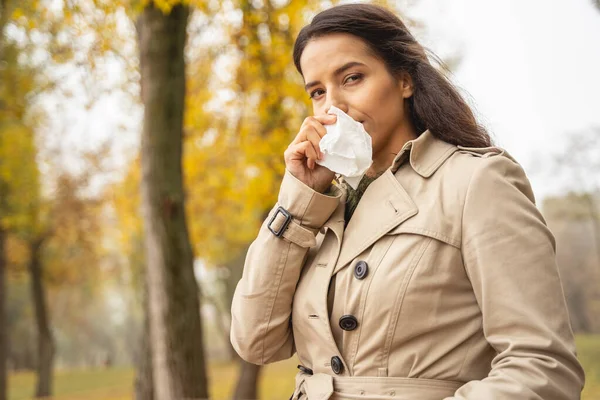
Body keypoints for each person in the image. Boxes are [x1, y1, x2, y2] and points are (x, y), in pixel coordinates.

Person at [230, 3, 585, 399]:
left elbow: (541, 367)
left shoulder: (476, 182)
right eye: (317, 91)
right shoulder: (322, 203)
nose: (332, 106)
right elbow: (256, 341)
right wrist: (298, 198)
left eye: (351, 78)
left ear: (404, 80)